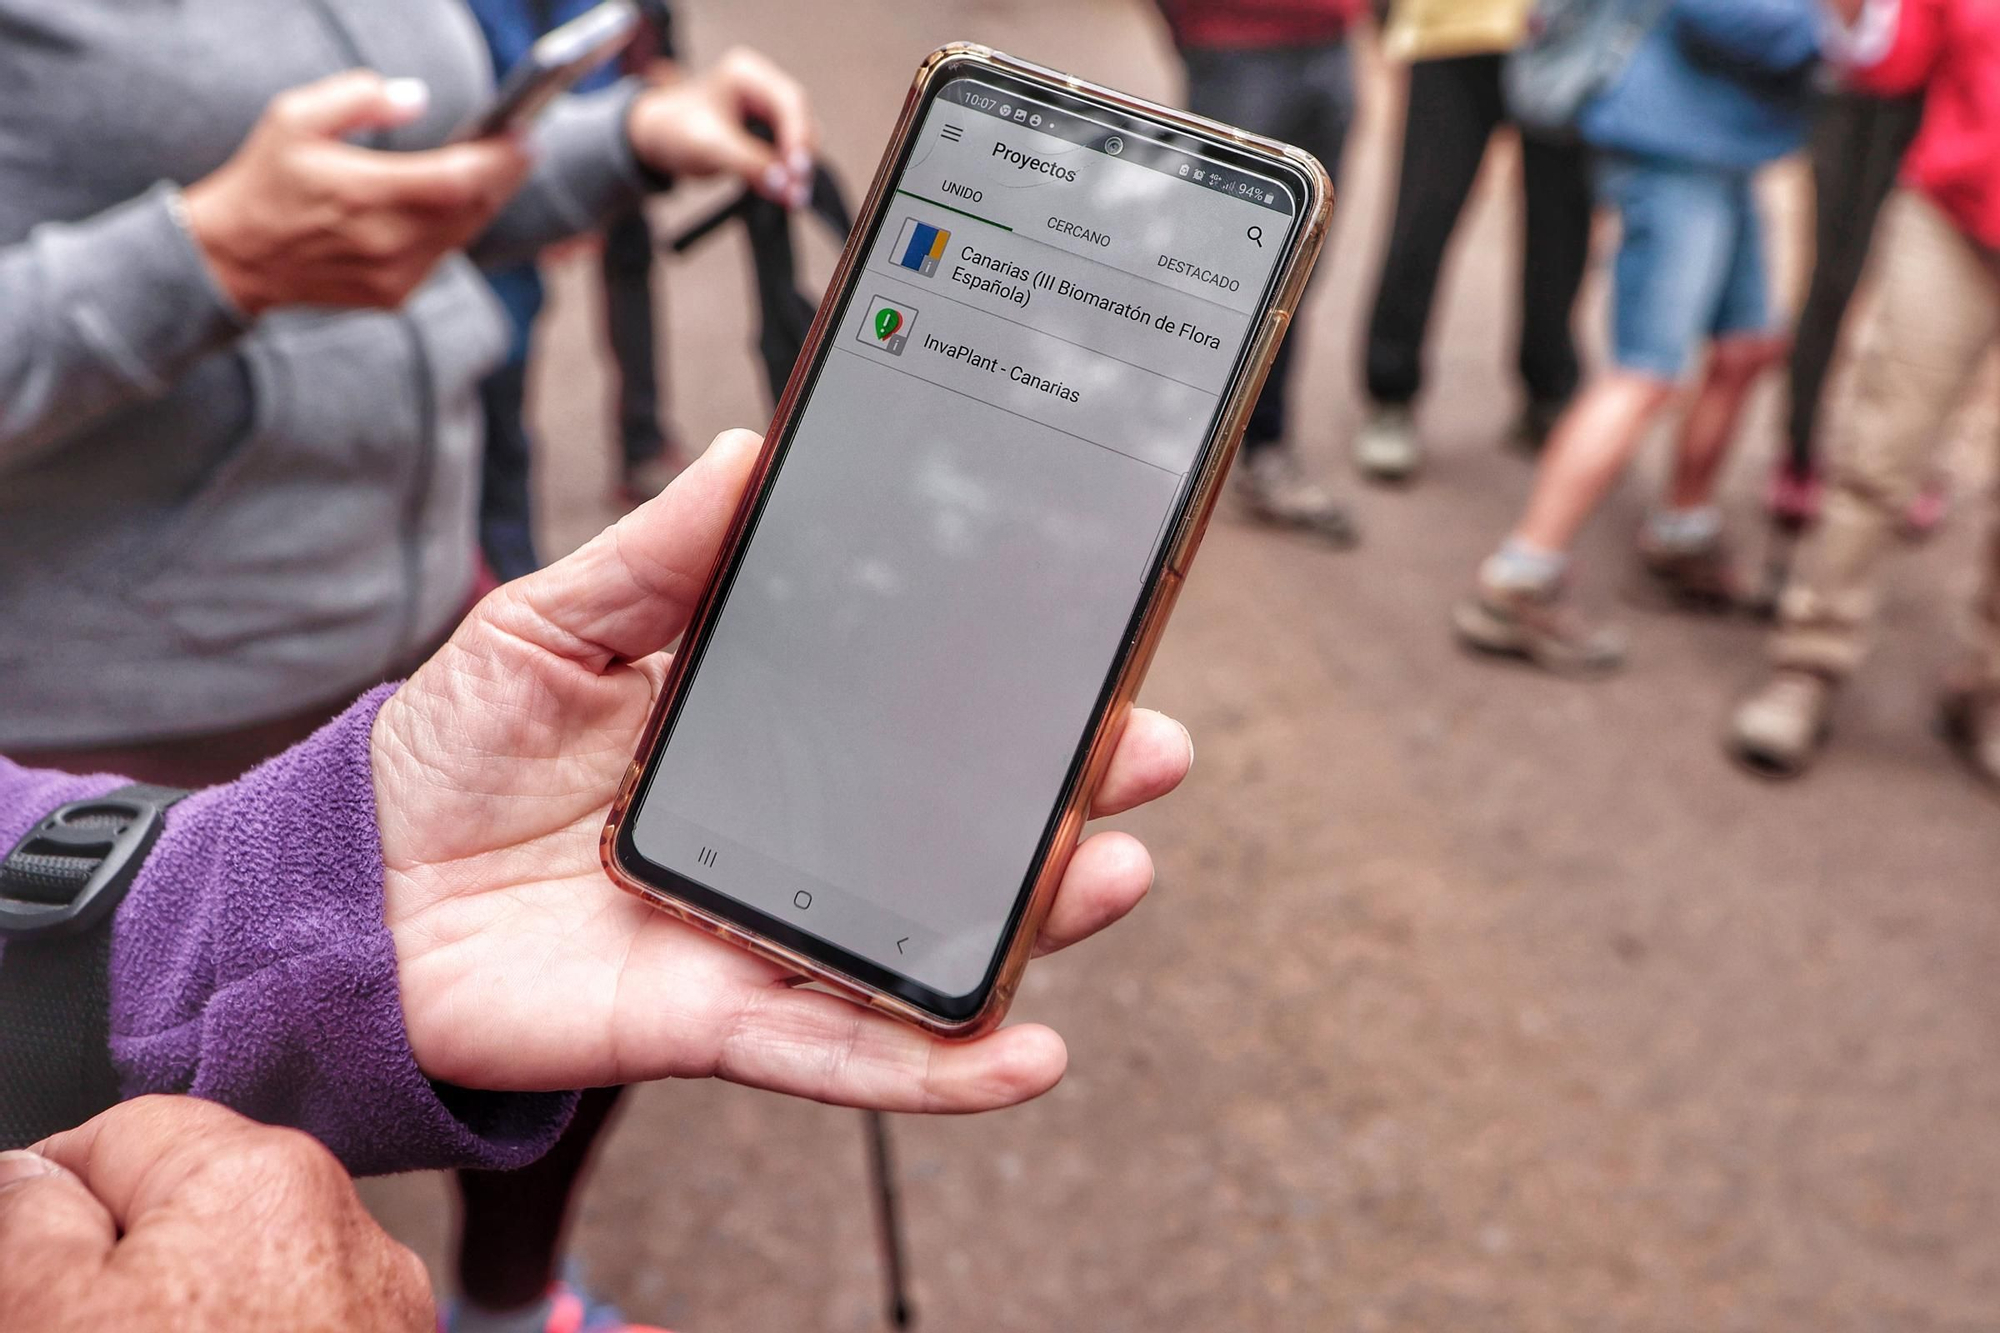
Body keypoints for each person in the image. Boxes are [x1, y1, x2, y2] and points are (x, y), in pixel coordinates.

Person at [0, 432, 1196, 1321]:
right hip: (126, 673)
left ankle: (512, 1303)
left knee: (594, 961)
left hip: (391, 577)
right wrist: (198, 258)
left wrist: (214, 905)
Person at [0, 1, 814, 779]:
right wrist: (205, 259)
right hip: (134, 721)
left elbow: (408, 183)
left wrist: (632, 135)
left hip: (431, 615)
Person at [1451, 0, 1821, 676]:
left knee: (1747, 344)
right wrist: (1839, 27)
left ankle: (1682, 536)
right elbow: (1732, 17)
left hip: (1723, 144)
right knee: (1644, 372)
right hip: (1672, 146)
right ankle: (1517, 580)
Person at [1728, 0, 2000, 787]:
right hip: (1949, 216)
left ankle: (1984, 687)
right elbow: (1888, 61)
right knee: (1879, 454)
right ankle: (1807, 665)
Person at [469, 0, 687, 584]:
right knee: (485, 403)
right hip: (468, 223)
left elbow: (582, 31)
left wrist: (590, 152)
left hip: (555, 147)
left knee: (506, 424)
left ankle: (639, 439)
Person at [1354, 0, 1594, 483]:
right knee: (1423, 217)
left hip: (1571, 37)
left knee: (1560, 233)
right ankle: (1391, 393)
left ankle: (1549, 392)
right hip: (1455, 30)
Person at [1156, 0, 1362, 547]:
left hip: (1334, 36)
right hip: (1235, 41)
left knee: (1294, 268)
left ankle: (1261, 448)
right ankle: (1158, 452)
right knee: (1217, 263)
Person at [1769, 79, 1924, 532]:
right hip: (1852, 95)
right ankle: (1799, 451)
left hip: (1946, 102)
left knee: (1928, 298)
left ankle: (1913, 461)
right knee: (1830, 281)